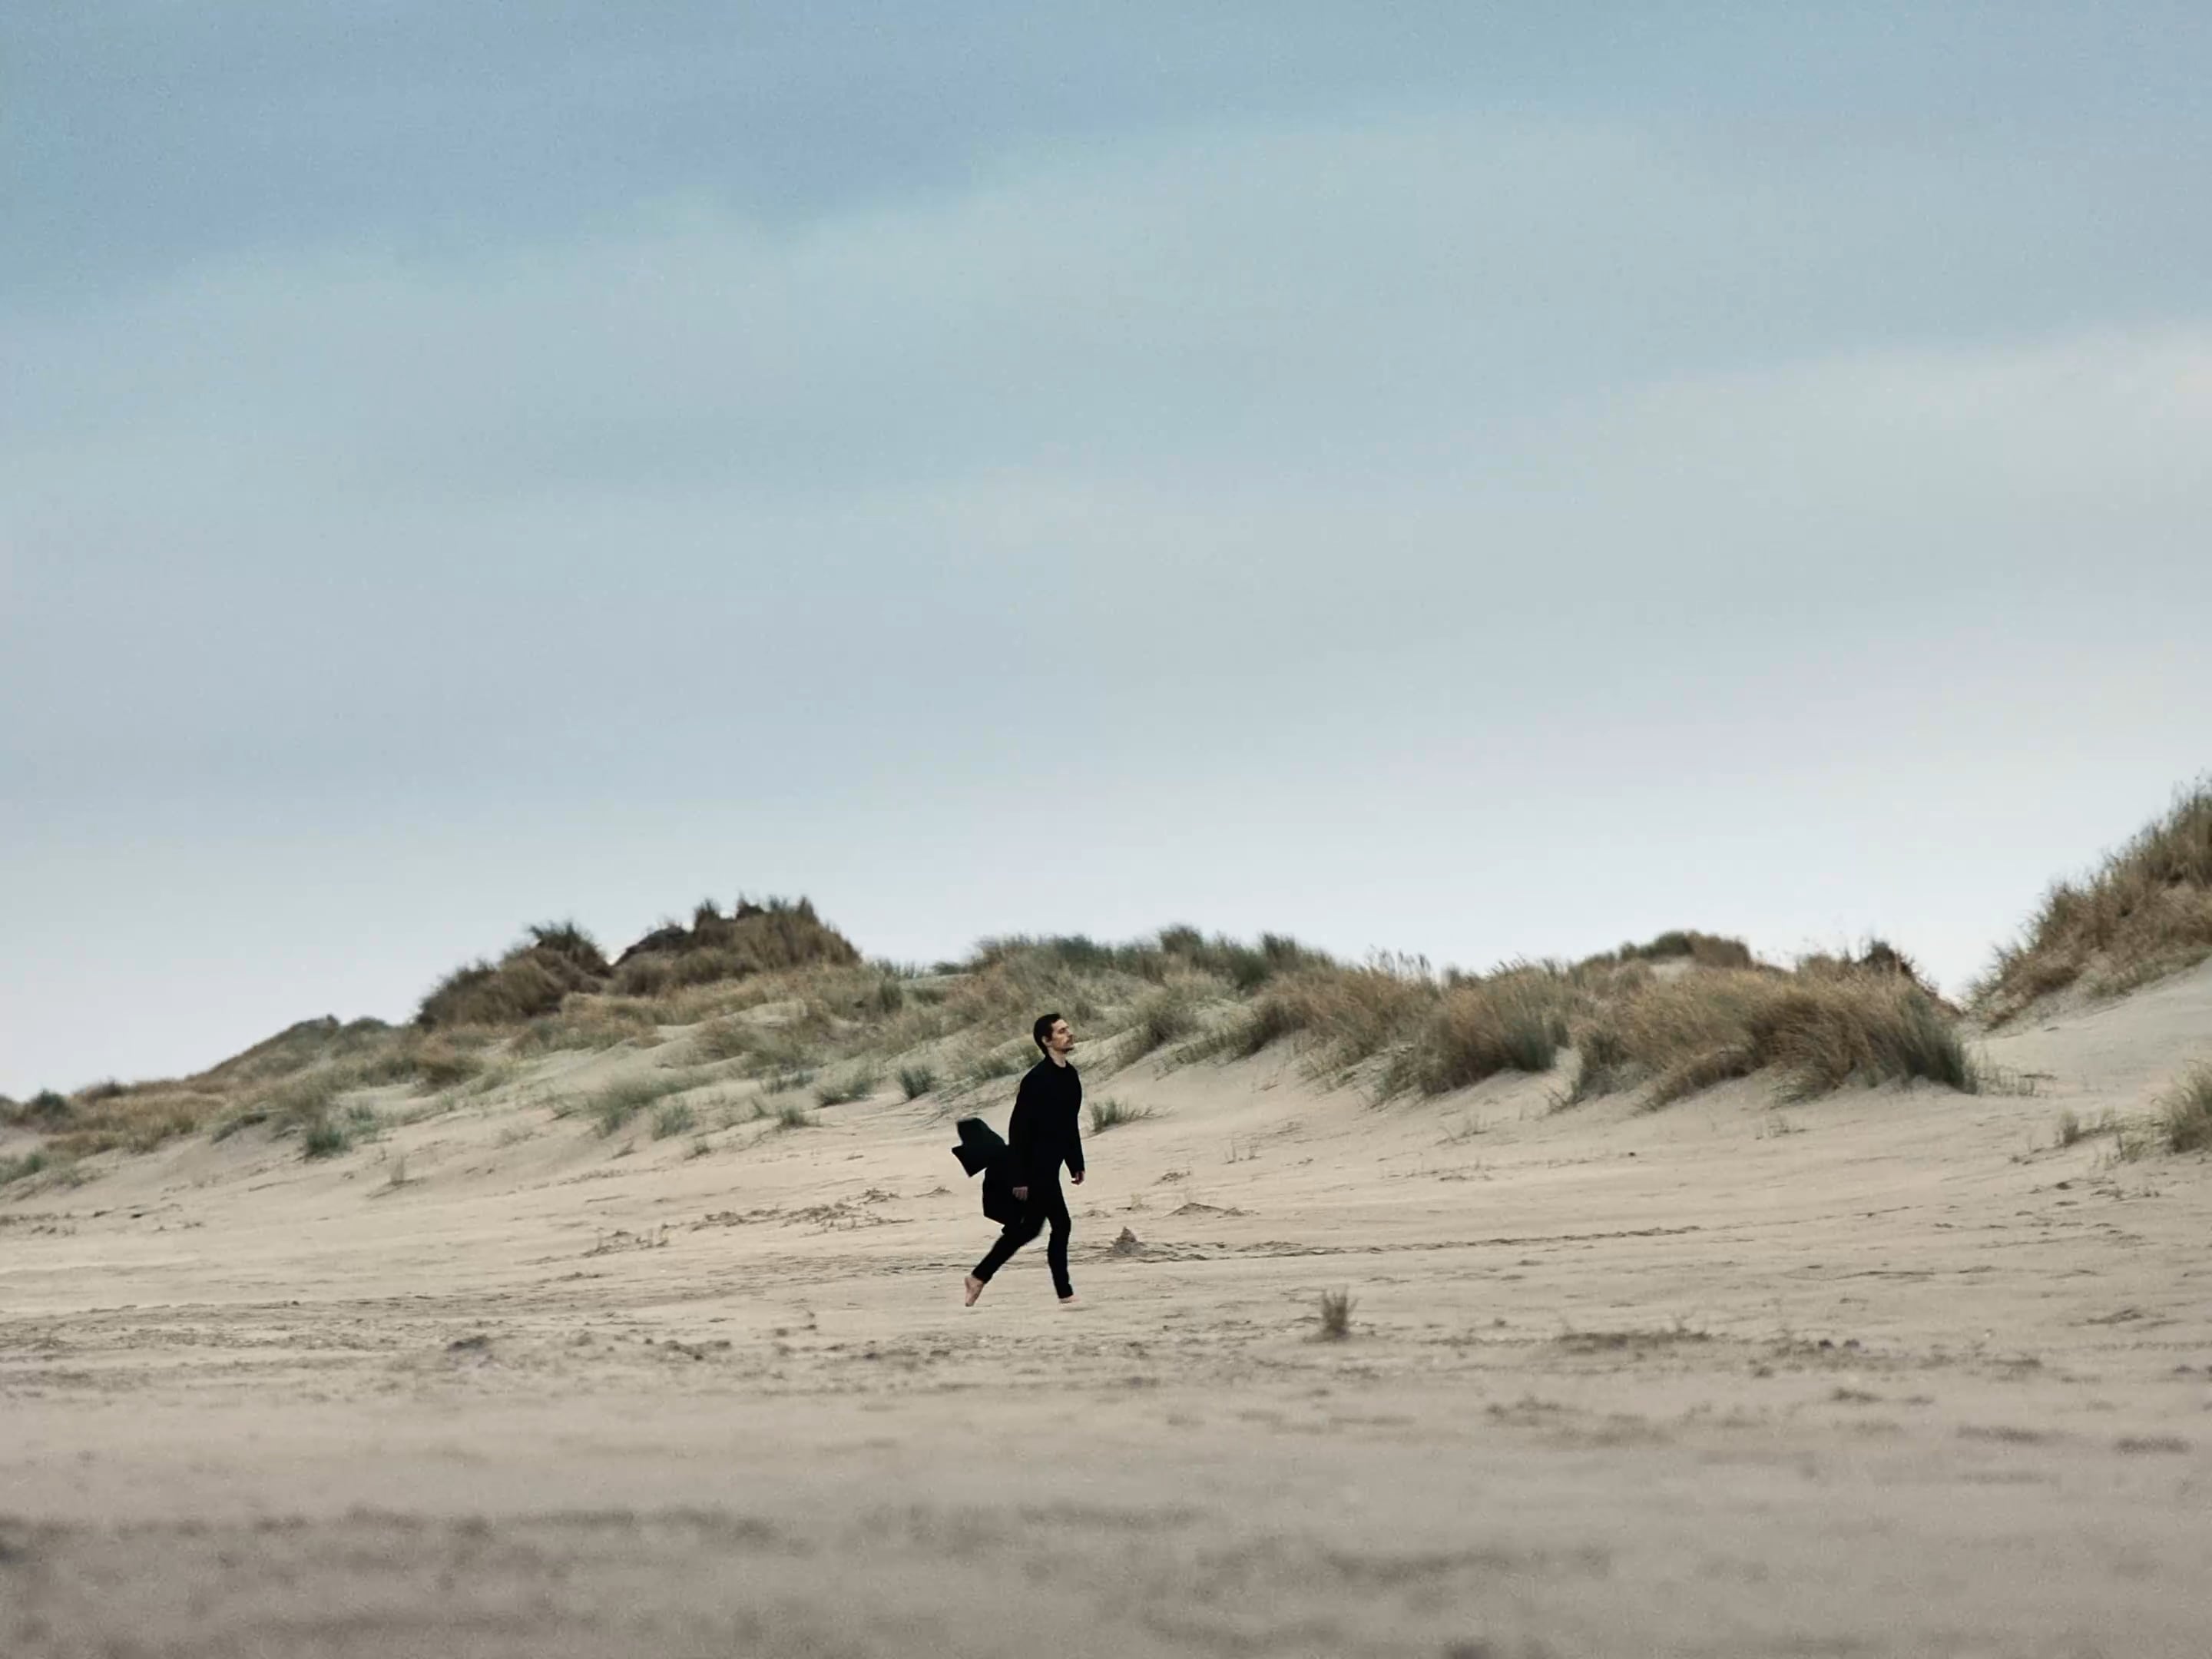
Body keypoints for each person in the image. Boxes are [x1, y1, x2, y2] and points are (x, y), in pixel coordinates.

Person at [964, 1012, 1085, 1308]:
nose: (1069, 1034)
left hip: (1051, 1165)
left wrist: (1075, 1162)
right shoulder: (1036, 1080)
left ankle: (979, 1277)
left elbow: (1069, 1124)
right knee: (1061, 1224)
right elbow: (1018, 1129)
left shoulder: (1070, 1076)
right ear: (1046, 1041)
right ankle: (1065, 1293)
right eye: (1061, 1031)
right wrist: (1020, 1177)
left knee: (1029, 1229)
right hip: (1033, 1166)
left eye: (1068, 1029)